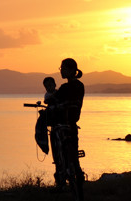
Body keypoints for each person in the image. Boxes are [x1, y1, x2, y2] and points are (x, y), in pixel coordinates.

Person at [48, 58, 85, 190]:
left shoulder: (65, 87)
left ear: (70, 70)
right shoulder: (80, 86)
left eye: (62, 68)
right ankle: (78, 173)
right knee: (74, 153)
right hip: (73, 123)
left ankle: (61, 179)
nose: (61, 71)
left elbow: (53, 101)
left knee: (58, 148)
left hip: (64, 122)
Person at [34, 76, 57, 154]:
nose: (49, 88)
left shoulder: (58, 92)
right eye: (46, 86)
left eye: (50, 85)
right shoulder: (47, 94)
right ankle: (43, 141)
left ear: (55, 85)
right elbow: (46, 100)